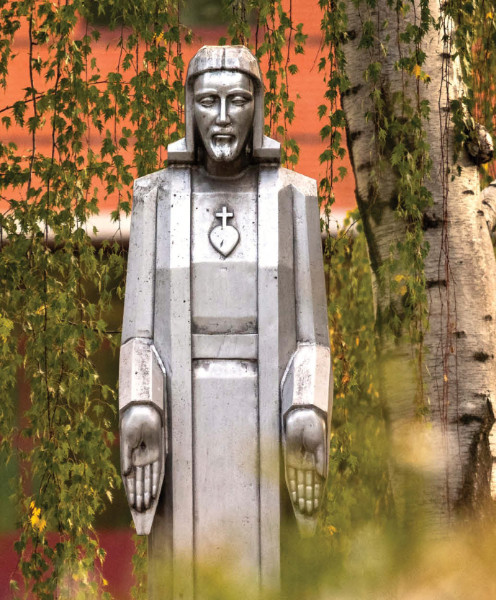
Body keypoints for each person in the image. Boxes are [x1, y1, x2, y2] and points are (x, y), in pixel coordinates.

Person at [117, 45, 331, 597]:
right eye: (208, 101)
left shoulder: (293, 196)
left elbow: (312, 338)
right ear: (188, 107)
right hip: (183, 415)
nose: (222, 117)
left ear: (257, 107)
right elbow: (138, 333)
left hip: (266, 419)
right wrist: (140, 403)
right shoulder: (155, 197)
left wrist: (306, 407)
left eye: (236, 101)